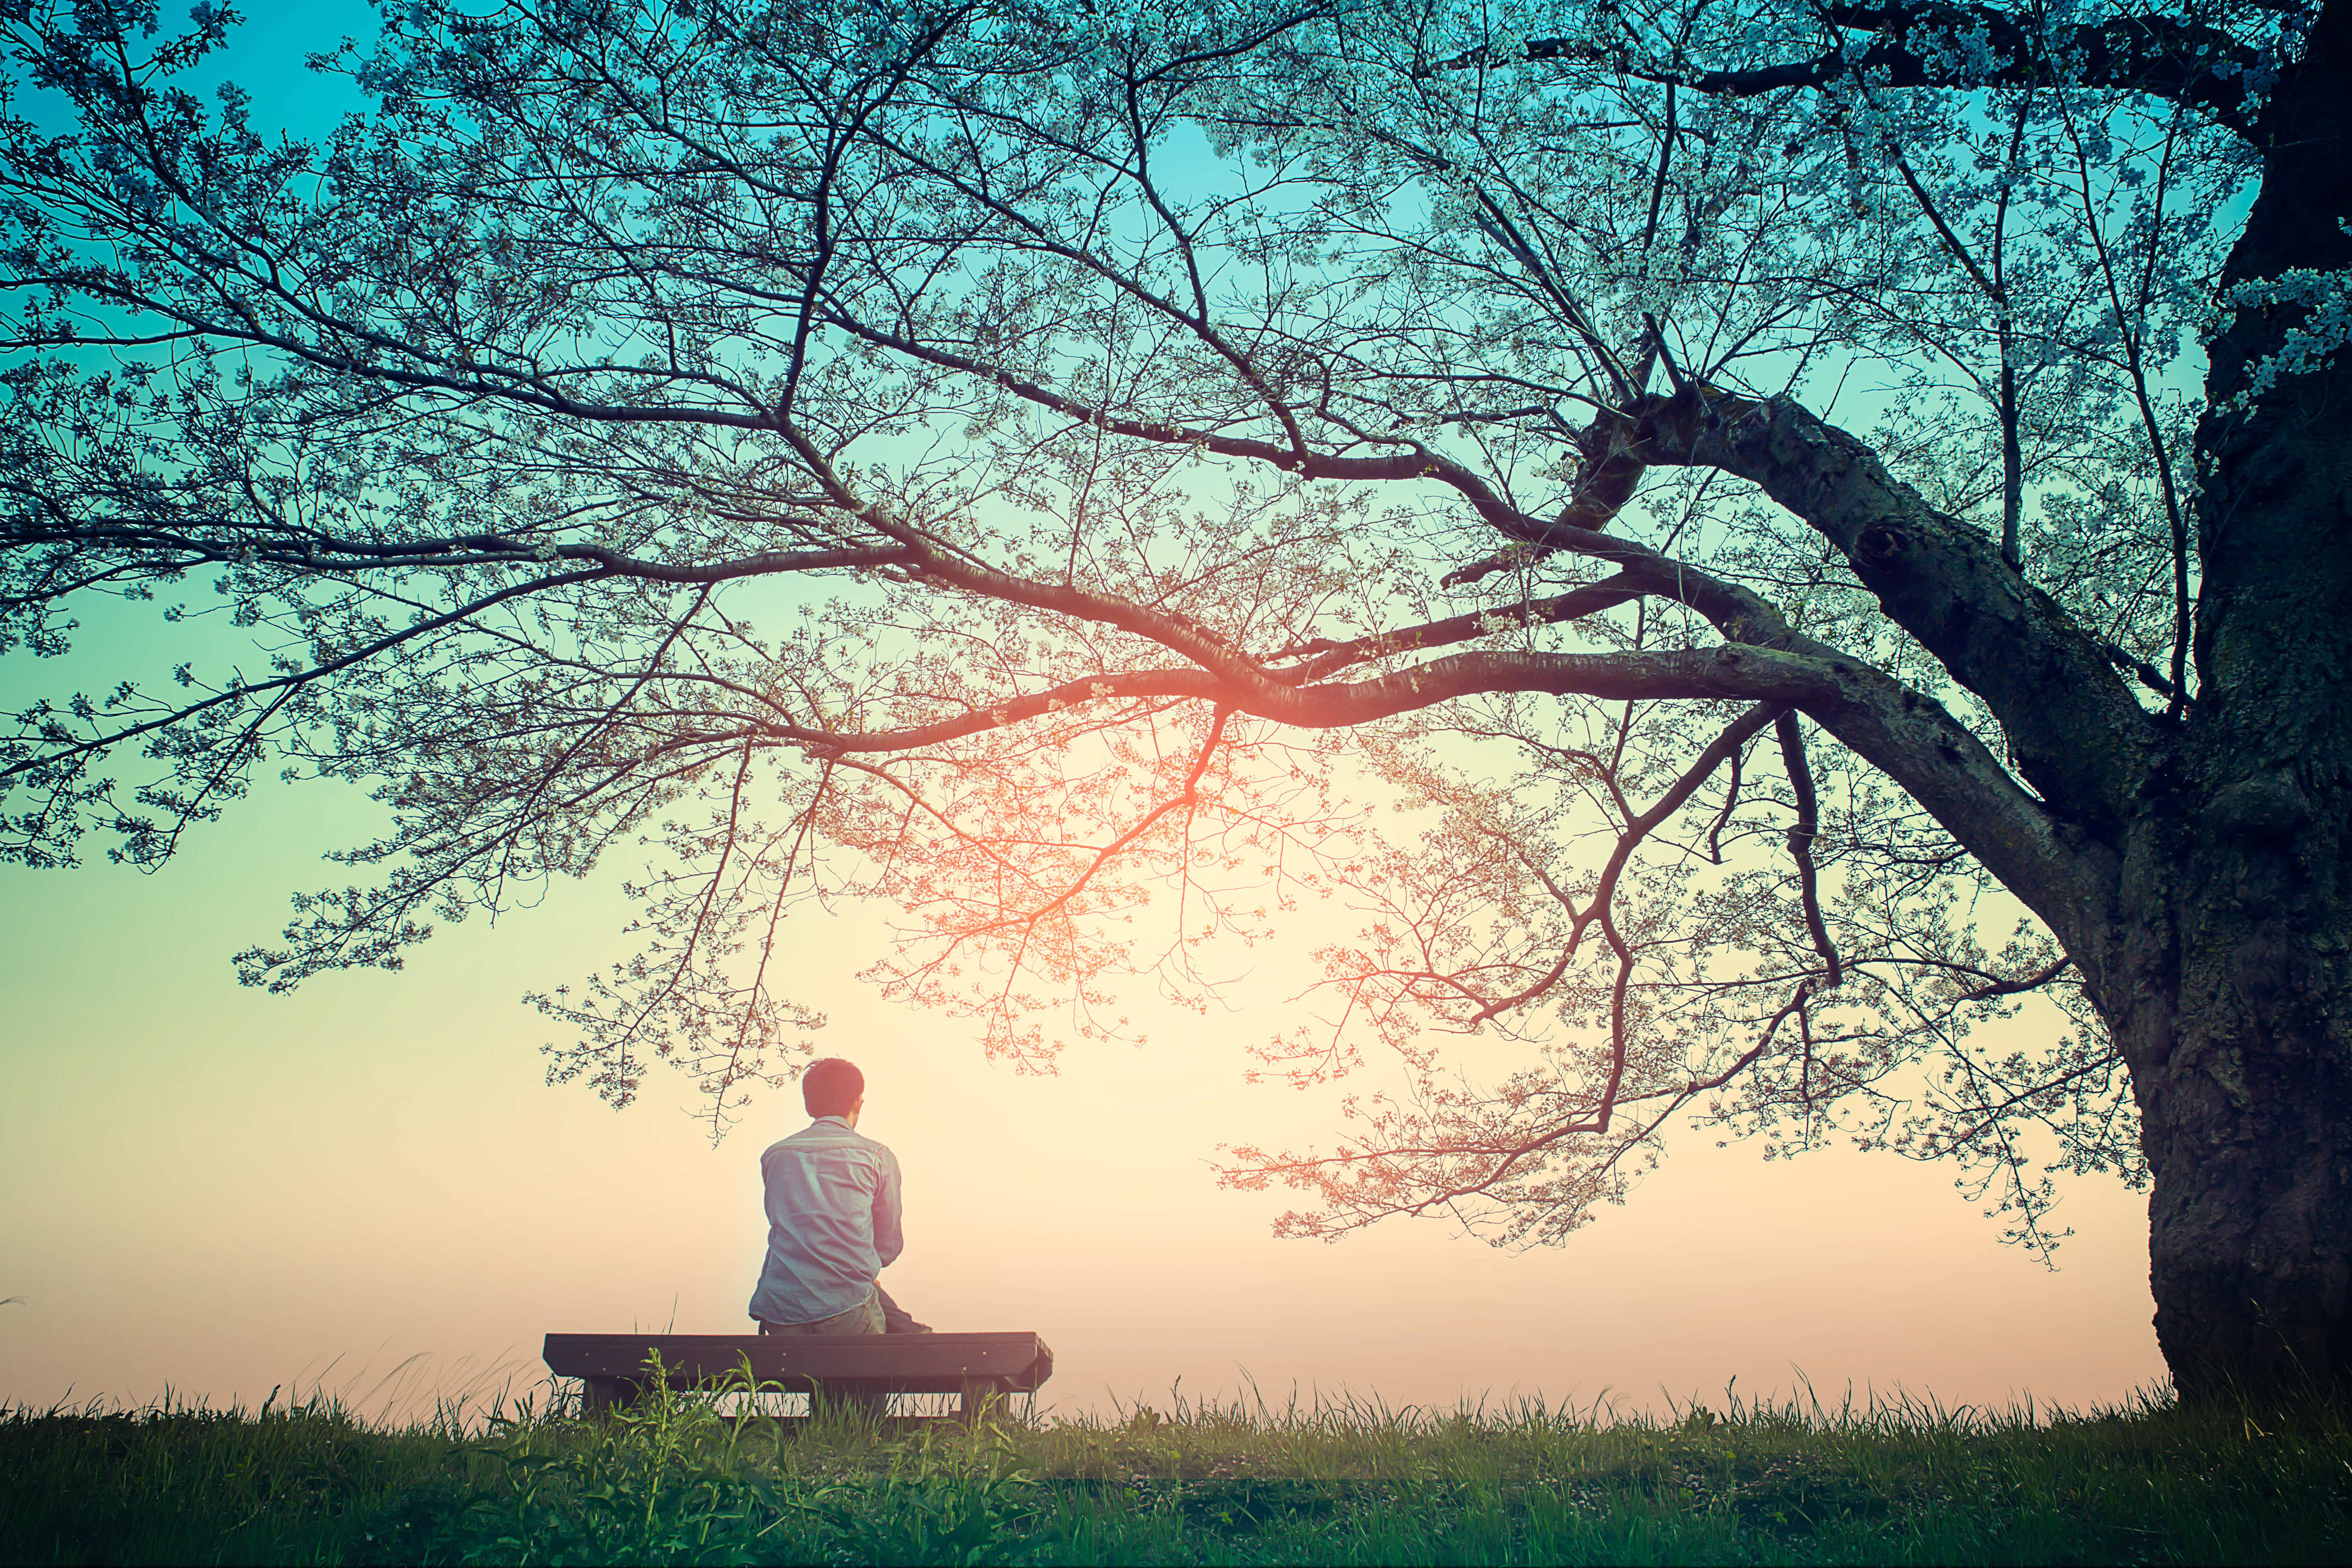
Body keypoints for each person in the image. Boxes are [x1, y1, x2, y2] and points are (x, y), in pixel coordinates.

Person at [748, 1057, 932, 1345]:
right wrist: (860, 1269)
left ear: (808, 1106)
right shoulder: (877, 1157)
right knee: (865, 1378)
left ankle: (908, 1328)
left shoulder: (775, 1156)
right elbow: (889, 1247)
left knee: (852, 1290)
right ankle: (914, 1335)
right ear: (858, 1102)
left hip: (781, 1315)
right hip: (847, 1314)